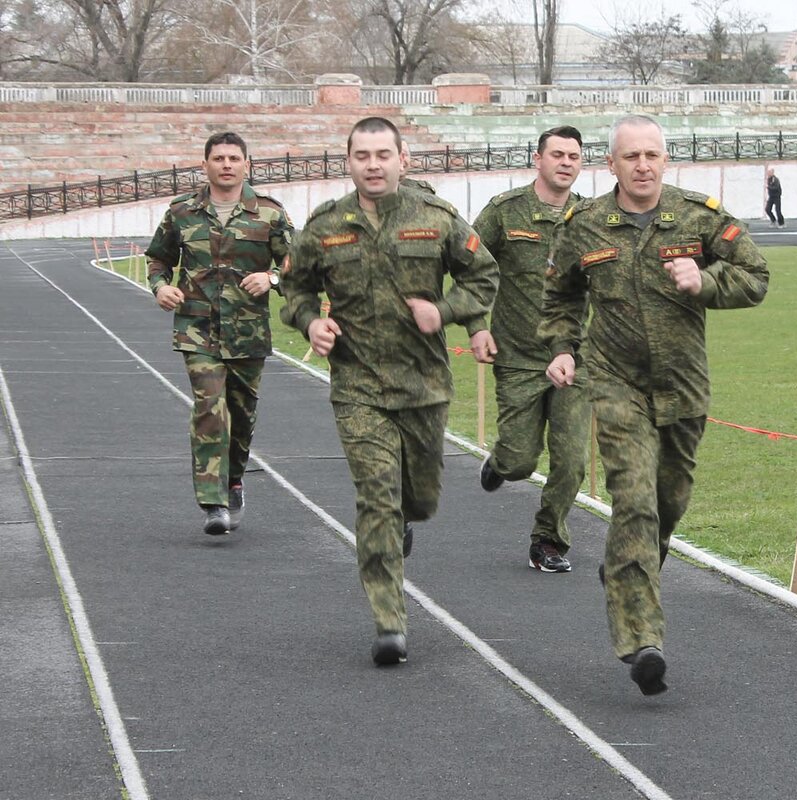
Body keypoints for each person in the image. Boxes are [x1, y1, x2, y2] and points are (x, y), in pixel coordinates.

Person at [539, 115, 769, 695]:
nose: (642, 165)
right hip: (615, 384)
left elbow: (756, 276)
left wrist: (705, 282)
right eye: (630, 156)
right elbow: (559, 294)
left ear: (666, 160)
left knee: (669, 501)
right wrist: (563, 347)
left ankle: (623, 566)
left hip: (684, 387)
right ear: (610, 164)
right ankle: (642, 638)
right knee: (634, 500)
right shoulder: (585, 225)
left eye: (652, 155)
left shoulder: (699, 216)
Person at [280, 117, 498, 666]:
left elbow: (483, 277)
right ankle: (389, 621)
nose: (373, 165)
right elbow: (294, 287)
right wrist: (310, 323)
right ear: (348, 162)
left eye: (383, 154)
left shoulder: (437, 218)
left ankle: (404, 521)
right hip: (358, 386)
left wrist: (444, 311)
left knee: (418, 500)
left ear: (404, 158)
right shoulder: (326, 224)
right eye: (362, 155)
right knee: (377, 497)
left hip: (424, 387)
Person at [145, 131, 293, 537]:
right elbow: (158, 257)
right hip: (197, 328)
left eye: (234, 158)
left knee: (241, 415)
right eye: (219, 158)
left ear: (247, 164)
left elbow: (296, 259)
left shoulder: (270, 214)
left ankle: (233, 480)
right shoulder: (182, 212)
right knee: (210, 407)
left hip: (248, 332)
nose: (226, 164)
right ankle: (213, 504)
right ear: (205, 164)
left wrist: (272, 277)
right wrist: (160, 287)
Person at [470, 126, 589, 574]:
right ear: (536, 160)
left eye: (573, 156)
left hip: (576, 358)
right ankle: (502, 460)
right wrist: (476, 326)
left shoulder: (594, 216)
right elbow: (468, 265)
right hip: (518, 356)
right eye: (556, 154)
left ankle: (548, 540)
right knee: (521, 460)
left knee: (572, 459)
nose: (565, 162)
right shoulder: (505, 212)